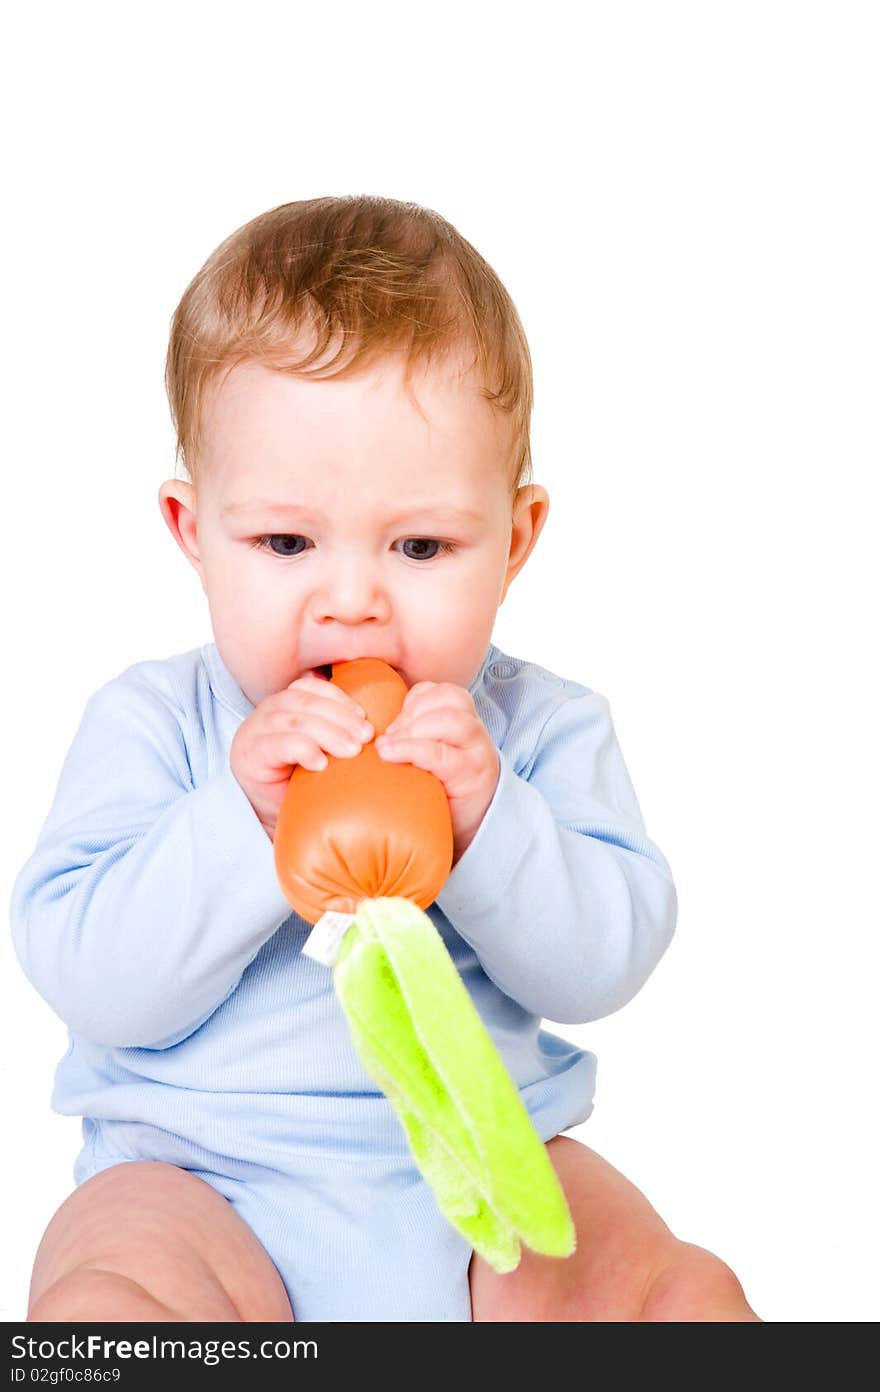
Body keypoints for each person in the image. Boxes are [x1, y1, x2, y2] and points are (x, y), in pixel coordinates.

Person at [10, 195, 760, 1322]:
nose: (352, 602)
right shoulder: (154, 724)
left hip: (494, 1166)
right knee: (105, 1296)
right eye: (284, 542)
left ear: (513, 541)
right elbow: (88, 977)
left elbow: (600, 965)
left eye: (419, 546)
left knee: (671, 1290)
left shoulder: (540, 729)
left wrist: (490, 823)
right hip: (198, 1174)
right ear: (191, 529)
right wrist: (239, 821)